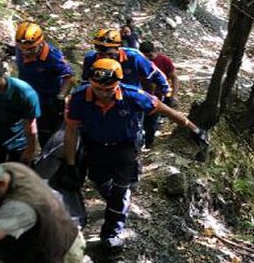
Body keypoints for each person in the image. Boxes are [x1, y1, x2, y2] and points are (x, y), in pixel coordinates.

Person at [62, 59, 207, 250]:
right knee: (100, 181)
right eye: (99, 89)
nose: (104, 94)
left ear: (118, 84)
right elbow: (71, 131)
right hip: (95, 146)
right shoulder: (79, 98)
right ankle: (115, 200)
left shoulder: (132, 95)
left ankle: (111, 233)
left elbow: (167, 111)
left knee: (121, 191)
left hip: (125, 146)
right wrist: (70, 164)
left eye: (109, 89)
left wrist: (194, 129)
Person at [14, 21, 75, 147]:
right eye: (22, 49)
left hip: (48, 101)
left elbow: (69, 78)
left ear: (41, 42)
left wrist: (61, 96)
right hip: (26, 95)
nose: (26, 52)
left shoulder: (53, 57)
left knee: (46, 133)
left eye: (31, 49)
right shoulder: (21, 47)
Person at [81, 28, 169, 97]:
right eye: (101, 54)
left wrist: (164, 92)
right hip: (103, 99)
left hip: (131, 98)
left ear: (118, 48)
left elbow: (154, 74)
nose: (106, 58)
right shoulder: (91, 58)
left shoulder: (134, 57)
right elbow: (86, 81)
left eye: (110, 54)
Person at [139, 41, 180, 149]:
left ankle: (149, 144)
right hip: (142, 95)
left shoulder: (164, 60)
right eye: (145, 56)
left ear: (155, 51)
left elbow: (174, 77)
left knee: (151, 122)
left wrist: (174, 95)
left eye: (150, 55)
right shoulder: (139, 61)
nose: (148, 59)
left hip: (159, 96)